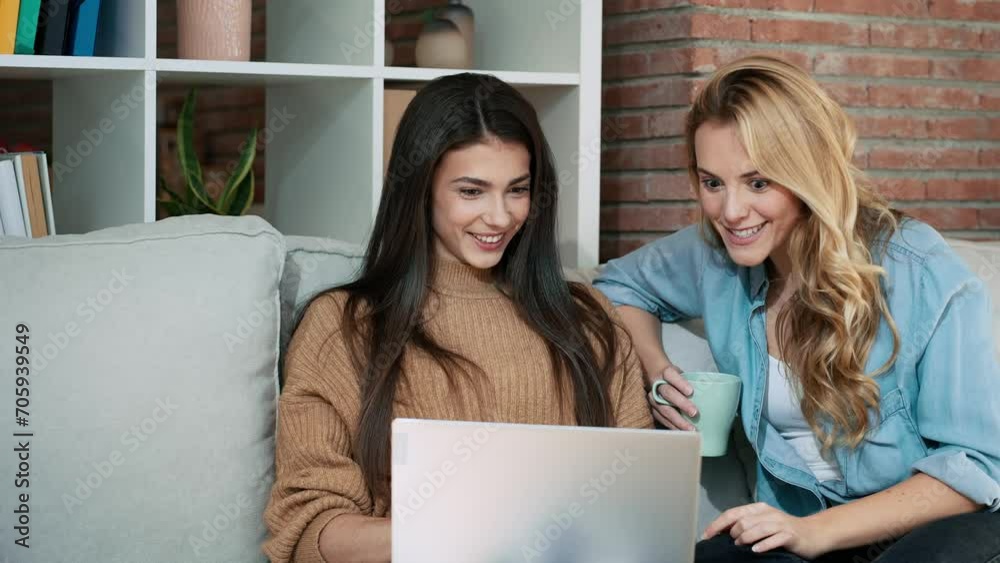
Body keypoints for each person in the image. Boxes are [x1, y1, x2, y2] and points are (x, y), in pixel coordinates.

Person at [594, 56, 1000, 562]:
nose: (731, 211)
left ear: (807, 174)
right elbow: (616, 285)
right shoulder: (714, 257)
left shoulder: (920, 268)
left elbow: (974, 466)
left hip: (930, 528)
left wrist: (818, 532)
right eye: (712, 182)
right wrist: (658, 371)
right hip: (799, 525)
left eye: (758, 182)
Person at [262, 73, 653, 563]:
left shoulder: (587, 318)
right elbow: (310, 532)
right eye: (472, 191)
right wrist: (470, 526)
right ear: (421, 189)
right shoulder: (344, 325)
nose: (500, 217)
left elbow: (639, 504)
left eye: (517, 190)